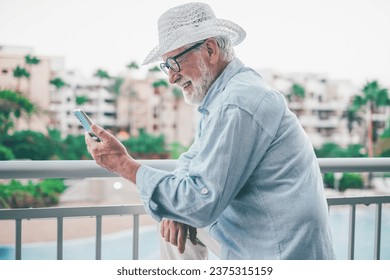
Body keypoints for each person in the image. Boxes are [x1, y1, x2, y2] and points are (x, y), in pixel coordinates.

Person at [85, 2, 335, 260]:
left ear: (210, 50)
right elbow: (191, 159)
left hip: (279, 252)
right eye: (166, 67)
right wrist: (176, 210)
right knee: (175, 221)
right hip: (262, 239)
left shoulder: (237, 103)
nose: (171, 77)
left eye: (173, 62)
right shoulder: (224, 97)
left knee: (182, 217)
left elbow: (200, 204)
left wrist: (125, 166)